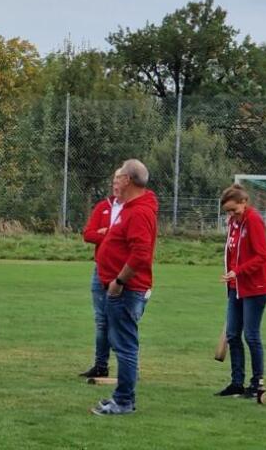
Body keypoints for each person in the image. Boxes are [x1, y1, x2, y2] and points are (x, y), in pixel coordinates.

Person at [91, 159, 158, 416]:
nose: (116, 181)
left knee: (125, 346)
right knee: (120, 343)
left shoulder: (139, 212)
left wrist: (119, 282)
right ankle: (121, 396)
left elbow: (140, 255)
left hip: (126, 290)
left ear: (128, 180)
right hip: (119, 288)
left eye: (119, 176)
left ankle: (124, 401)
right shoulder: (133, 207)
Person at [214, 184, 266, 399]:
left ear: (244, 203)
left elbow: (261, 256)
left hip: (255, 288)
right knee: (232, 335)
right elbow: (232, 253)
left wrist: (237, 272)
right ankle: (237, 383)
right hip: (235, 287)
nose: (231, 215)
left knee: (251, 335)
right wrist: (231, 276)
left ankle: (257, 383)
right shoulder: (233, 223)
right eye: (228, 211)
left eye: (234, 210)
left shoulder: (254, 221)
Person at [79, 170, 125, 378]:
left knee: (124, 320)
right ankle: (101, 365)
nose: (116, 186)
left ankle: (129, 366)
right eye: (113, 182)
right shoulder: (103, 207)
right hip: (101, 270)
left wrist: (106, 234)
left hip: (124, 271)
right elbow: (88, 234)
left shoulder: (133, 209)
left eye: (119, 182)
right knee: (101, 320)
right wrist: (107, 235)